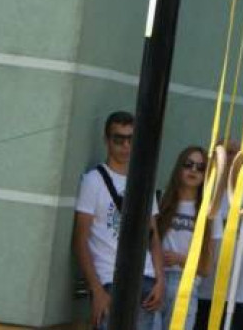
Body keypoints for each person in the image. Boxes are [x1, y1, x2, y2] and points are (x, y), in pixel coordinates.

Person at [74, 111, 165, 330]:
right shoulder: (93, 181)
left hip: (147, 281)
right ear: (107, 141)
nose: (125, 146)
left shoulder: (144, 179)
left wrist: (161, 280)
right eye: (118, 139)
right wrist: (96, 291)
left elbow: (153, 237)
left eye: (131, 139)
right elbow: (80, 241)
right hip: (110, 281)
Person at [194, 142, 243, 330]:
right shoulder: (205, 193)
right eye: (223, 153)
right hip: (205, 290)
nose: (229, 158)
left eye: (233, 153)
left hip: (242, 293)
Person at [157, 145, 218, 330]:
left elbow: (206, 268)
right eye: (188, 164)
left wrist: (179, 259)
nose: (193, 170)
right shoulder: (160, 203)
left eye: (200, 167)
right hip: (155, 281)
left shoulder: (209, 212)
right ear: (179, 168)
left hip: (185, 284)